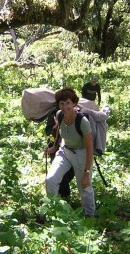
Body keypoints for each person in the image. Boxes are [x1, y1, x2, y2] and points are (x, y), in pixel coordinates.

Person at [45, 88, 96, 217]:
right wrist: (54, 147)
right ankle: (52, 210)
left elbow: (90, 148)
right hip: (64, 151)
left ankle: (90, 216)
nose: (65, 106)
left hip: (81, 154)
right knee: (51, 179)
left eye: (68, 103)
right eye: (62, 103)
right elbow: (59, 133)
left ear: (74, 103)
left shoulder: (82, 121)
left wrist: (87, 172)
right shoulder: (59, 115)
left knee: (84, 187)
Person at [45, 106, 74, 199]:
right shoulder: (54, 113)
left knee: (70, 172)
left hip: (72, 147)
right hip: (56, 148)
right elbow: (48, 131)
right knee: (61, 174)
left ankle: (62, 194)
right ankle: (64, 196)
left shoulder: (75, 114)